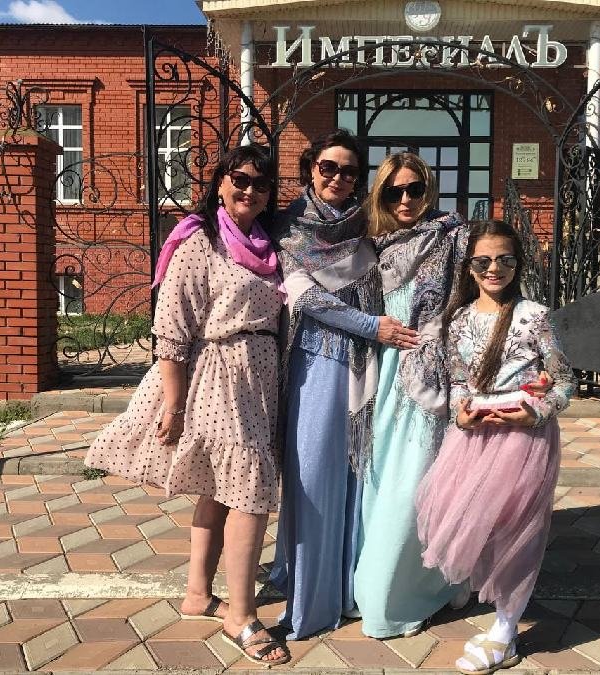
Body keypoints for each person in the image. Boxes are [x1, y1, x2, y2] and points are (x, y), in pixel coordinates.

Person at [84, 145, 290, 666]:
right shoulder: (200, 240)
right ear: (220, 182)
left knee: (220, 488)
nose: (249, 190)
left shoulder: (267, 245)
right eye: (240, 179)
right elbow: (171, 331)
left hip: (260, 377)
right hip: (219, 375)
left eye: (261, 184)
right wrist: (173, 408)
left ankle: (198, 593)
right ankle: (241, 616)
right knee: (249, 491)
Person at [269, 130, 418, 639]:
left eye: (349, 171)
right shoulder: (288, 227)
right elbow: (305, 298)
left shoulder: (367, 224)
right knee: (312, 479)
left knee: (357, 479)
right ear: (310, 168)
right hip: (315, 364)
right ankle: (311, 601)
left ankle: (351, 588)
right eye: (328, 167)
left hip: (368, 365)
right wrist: (371, 326)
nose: (337, 177)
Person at [415, 219, 576, 673]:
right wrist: (459, 413)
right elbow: (456, 383)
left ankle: (506, 630)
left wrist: (537, 411)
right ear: (468, 267)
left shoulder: (536, 315)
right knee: (468, 517)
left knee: (516, 530)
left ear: (518, 263)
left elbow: (565, 381)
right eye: (483, 261)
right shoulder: (458, 320)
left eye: (505, 259)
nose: (494, 269)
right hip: (472, 437)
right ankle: (478, 593)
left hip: (522, 435)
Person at [353, 152, 470, 639]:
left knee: (417, 484)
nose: (405, 200)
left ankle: (398, 594)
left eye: (415, 189)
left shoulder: (454, 236)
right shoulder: (368, 243)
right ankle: (374, 584)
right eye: (393, 191)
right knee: (380, 484)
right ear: (380, 195)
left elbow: (475, 302)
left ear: (429, 190)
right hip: (378, 377)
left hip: (430, 377)